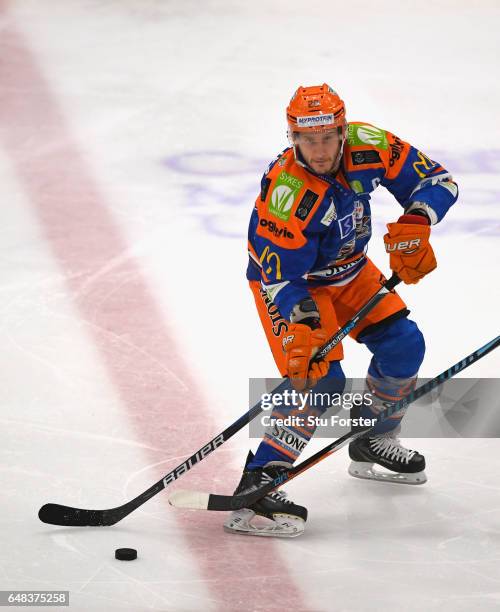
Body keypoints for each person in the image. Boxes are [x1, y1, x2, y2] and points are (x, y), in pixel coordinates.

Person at [224, 83, 458, 538]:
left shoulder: (370, 146)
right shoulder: (287, 192)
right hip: (294, 287)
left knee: (404, 346)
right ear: (293, 138)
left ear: (342, 130)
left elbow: (438, 181)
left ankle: (372, 437)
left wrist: (417, 220)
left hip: (350, 269)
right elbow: (278, 274)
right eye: (307, 140)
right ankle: (262, 477)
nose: (319, 149)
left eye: (328, 137)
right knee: (321, 378)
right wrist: (304, 324)